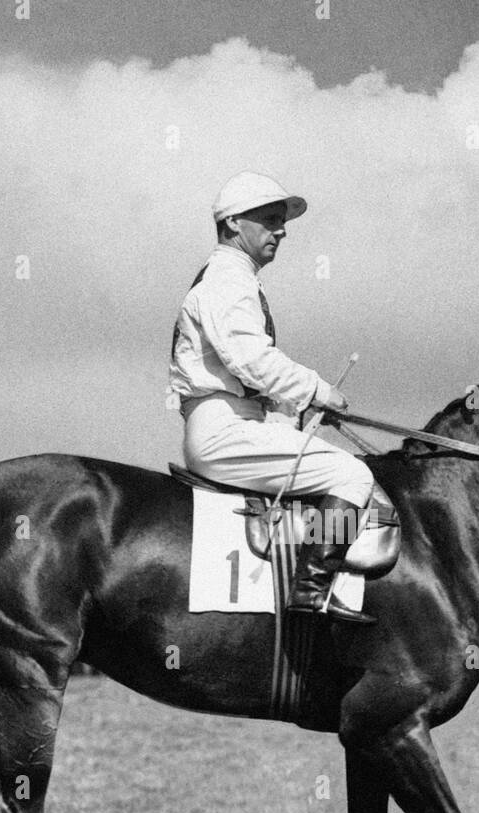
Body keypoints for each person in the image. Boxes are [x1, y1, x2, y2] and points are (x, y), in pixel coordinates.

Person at [169, 171, 375, 624]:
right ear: (234, 224)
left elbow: (248, 374)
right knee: (352, 476)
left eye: (282, 221)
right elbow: (251, 360)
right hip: (223, 430)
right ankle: (311, 590)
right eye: (269, 220)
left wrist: (294, 410)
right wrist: (318, 390)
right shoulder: (227, 278)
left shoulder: (236, 278)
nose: (281, 230)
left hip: (240, 420)